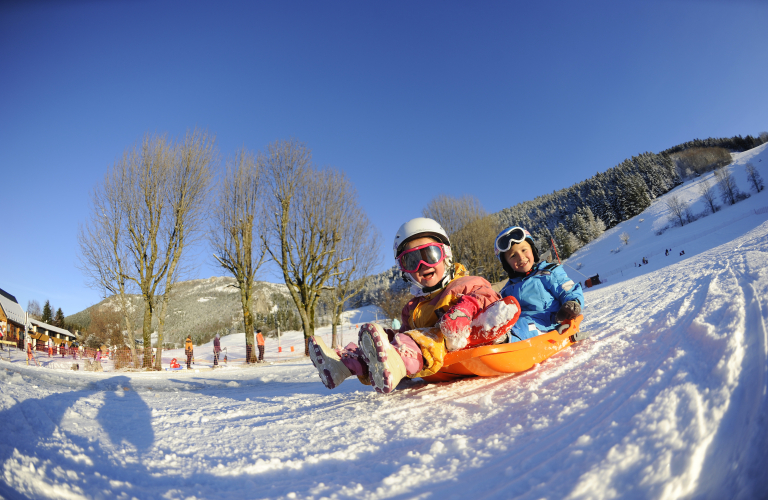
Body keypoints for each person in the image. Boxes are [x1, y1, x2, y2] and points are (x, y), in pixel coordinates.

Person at [308, 217, 518, 394]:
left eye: (430, 255)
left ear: (446, 255)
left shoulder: (464, 284)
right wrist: (389, 338)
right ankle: (344, 366)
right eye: (412, 261)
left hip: (459, 344)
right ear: (404, 270)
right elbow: (407, 333)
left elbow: (488, 296)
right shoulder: (413, 307)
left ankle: (396, 362)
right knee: (387, 340)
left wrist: (465, 308)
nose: (423, 265)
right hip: (427, 359)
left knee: (427, 337)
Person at [494, 227, 584, 341]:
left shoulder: (548, 273)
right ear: (507, 264)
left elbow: (568, 289)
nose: (521, 257)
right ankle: (493, 341)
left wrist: (573, 303)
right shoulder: (507, 290)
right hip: (522, 326)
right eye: (513, 256)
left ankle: (505, 341)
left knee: (522, 325)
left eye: (524, 250)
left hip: (551, 322)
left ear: (532, 250)